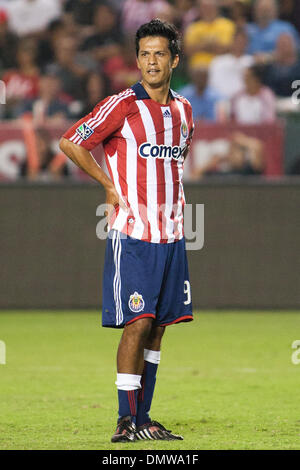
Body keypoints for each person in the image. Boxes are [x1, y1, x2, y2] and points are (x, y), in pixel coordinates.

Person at [59, 19, 194, 443]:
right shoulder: (122, 105)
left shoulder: (185, 110)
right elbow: (71, 141)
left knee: (158, 328)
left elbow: (174, 166)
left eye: (159, 54)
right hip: (133, 235)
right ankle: (124, 420)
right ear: (137, 60)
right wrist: (108, 185)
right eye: (144, 54)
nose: (151, 62)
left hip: (172, 235)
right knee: (138, 322)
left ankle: (145, 417)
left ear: (174, 59)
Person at [184, 0, 236, 68]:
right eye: (204, 7)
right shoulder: (193, 27)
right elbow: (188, 50)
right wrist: (211, 45)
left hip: (222, 65)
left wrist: (201, 46)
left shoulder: (228, 25)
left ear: (217, 9)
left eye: (210, 7)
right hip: (199, 66)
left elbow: (228, 48)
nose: (208, 10)